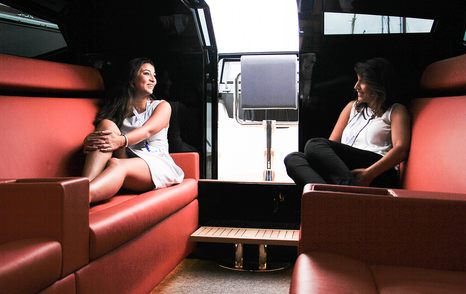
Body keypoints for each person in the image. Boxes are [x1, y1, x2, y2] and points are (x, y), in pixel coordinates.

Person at [284, 57, 410, 189]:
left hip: (379, 171)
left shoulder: (396, 111)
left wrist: (369, 174)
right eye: (357, 80)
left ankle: (346, 189)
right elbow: (329, 147)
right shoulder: (352, 107)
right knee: (293, 158)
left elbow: (401, 150)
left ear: (377, 84)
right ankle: (332, 196)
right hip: (345, 171)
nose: (356, 86)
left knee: (314, 144)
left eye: (362, 81)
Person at [82, 57, 184, 203]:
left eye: (154, 75)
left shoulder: (162, 106)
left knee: (116, 164)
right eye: (147, 73)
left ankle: (80, 197)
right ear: (132, 79)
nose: (153, 79)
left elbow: (148, 131)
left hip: (155, 164)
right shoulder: (119, 109)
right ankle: (84, 184)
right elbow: (104, 134)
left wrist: (120, 140)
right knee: (106, 124)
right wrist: (89, 141)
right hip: (126, 157)